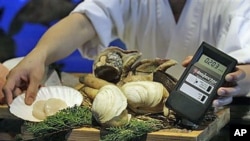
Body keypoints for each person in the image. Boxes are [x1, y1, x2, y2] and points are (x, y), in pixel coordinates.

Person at [2, 0, 250, 108]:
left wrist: (235, 81)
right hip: (142, 107)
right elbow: (84, 21)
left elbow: (246, 65)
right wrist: (40, 54)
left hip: (215, 110)